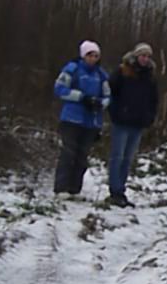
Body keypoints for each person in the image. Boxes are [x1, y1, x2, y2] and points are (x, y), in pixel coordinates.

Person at [52, 40, 110, 198]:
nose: (93, 59)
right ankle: (61, 187)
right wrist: (81, 97)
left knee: (82, 156)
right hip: (72, 117)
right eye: (90, 55)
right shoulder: (72, 69)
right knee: (68, 153)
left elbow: (108, 96)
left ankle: (75, 188)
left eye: (96, 56)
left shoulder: (101, 74)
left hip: (91, 121)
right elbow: (59, 89)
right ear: (84, 56)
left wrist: (99, 103)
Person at [106, 42, 158, 207]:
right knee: (117, 157)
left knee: (127, 159)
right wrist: (115, 112)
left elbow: (154, 100)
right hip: (121, 121)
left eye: (148, 56)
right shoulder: (122, 71)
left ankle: (121, 189)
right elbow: (109, 92)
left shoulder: (150, 76)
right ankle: (114, 190)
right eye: (143, 55)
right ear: (136, 56)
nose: (145, 59)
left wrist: (150, 116)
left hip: (138, 123)